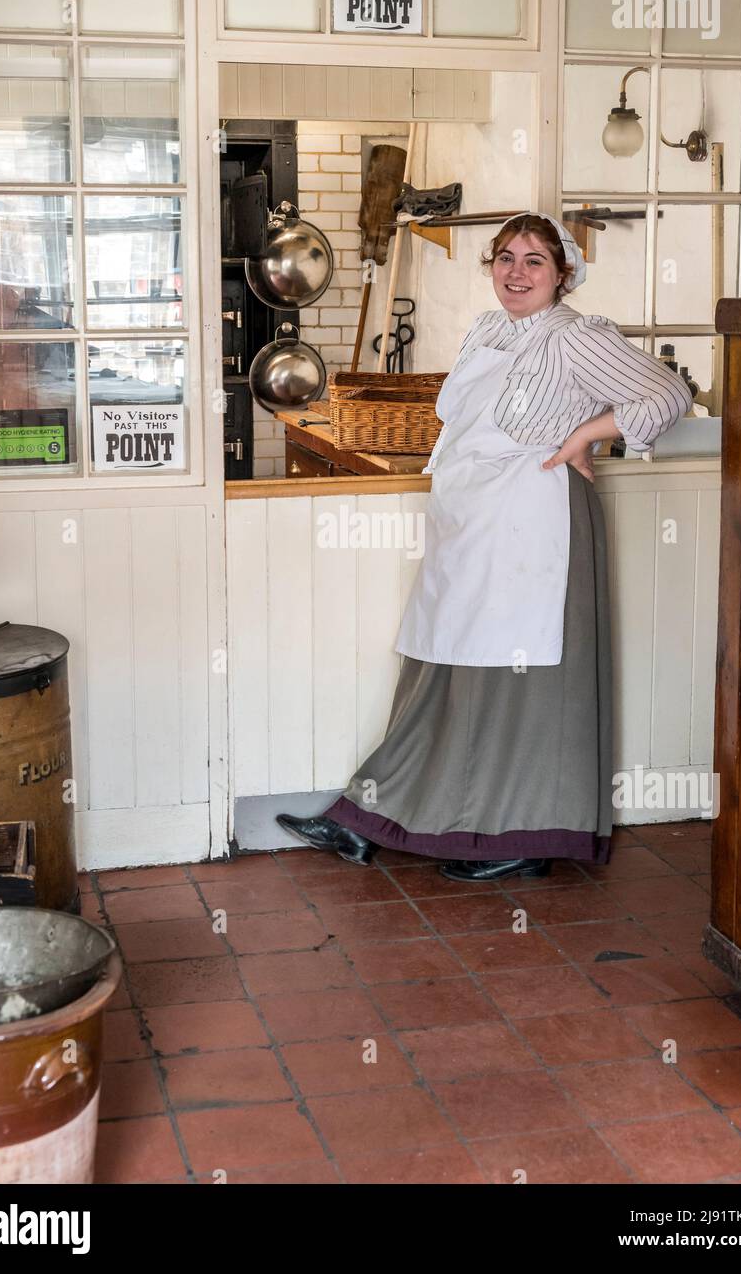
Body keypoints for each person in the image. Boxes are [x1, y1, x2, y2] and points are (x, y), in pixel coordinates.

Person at [277, 213, 693, 881]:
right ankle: (370, 816)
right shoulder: (487, 330)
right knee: (442, 674)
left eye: (534, 260)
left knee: (521, 685)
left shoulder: (576, 337)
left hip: (537, 524)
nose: (516, 272)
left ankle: (524, 835)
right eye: (505, 258)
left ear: (562, 274)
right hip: (470, 524)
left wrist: (587, 433)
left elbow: (669, 394)